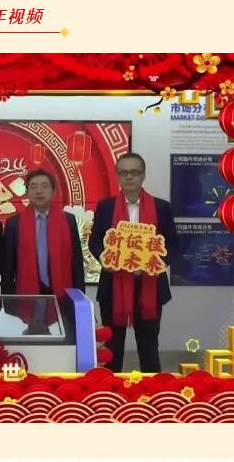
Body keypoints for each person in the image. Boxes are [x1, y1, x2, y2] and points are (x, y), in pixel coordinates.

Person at [90, 152, 179, 373]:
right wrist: (105, 260)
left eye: (134, 172)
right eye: (124, 173)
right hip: (113, 287)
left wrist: (155, 264)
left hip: (149, 286)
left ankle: (152, 393)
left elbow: (173, 245)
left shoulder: (161, 207)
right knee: (111, 351)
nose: (129, 177)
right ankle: (109, 392)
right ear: (118, 176)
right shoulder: (105, 207)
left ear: (143, 175)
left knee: (149, 351)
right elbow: (95, 242)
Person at [2, 168, 85, 299]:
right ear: (27, 193)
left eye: (44, 186)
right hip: (26, 294)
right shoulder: (14, 224)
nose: (39, 191)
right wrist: (8, 301)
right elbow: (8, 268)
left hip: (63, 292)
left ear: (53, 191)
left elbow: (77, 263)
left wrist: (80, 298)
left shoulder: (68, 220)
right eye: (33, 187)